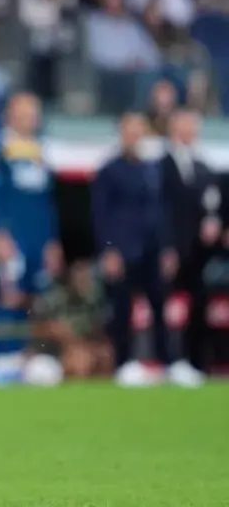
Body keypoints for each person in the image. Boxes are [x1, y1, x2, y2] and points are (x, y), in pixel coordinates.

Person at [0, 92, 63, 384]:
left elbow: (47, 201)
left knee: (36, 298)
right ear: (11, 115)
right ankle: (3, 358)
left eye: (34, 113)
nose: (31, 119)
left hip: (39, 238)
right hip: (13, 237)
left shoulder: (40, 151)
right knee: (10, 295)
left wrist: (52, 241)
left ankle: (28, 357)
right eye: (25, 113)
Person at [91, 112, 178, 387]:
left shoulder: (153, 169)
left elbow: (161, 211)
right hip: (123, 250)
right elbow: (100, 215)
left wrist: (167, 248)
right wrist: (109, 250)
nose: (134, 135)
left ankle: (168, 363)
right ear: (121, 133)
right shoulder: (108, 170)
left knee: (159, 306)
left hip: (152, 248)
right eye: (130, 130)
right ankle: (124, 363)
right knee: (121, 309)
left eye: (139, 130)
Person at [160, 109, 216, 384]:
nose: (189, 131)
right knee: (165, 307)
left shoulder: (203, 166)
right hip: (170, 250)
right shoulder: (160, 165)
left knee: (199, 306)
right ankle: (170, 360)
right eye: (183, 126)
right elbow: (159, 211)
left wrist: (213, 222)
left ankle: (195, 362)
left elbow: (212, 206)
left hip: (198, 253)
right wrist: (166, 246)